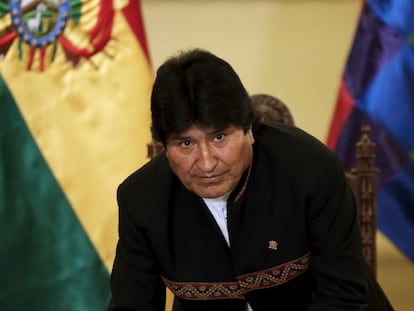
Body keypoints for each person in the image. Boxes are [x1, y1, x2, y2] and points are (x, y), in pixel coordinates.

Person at [108, 49, 393, 310]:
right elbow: (132, 305)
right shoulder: (140, 199)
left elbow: (342, 296)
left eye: (219, 137)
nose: (206, 163)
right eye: (185, 144)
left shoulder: (311, 168)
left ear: (249, 129)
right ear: (163, 146)